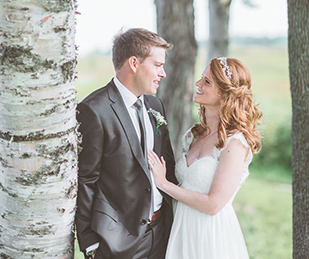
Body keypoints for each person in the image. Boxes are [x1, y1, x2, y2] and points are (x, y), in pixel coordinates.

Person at [76, 28, 176, 259]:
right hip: (117, 241)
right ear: (134, 63)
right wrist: (89, 241)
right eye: (158, 65)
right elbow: (86, 179)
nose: (164, 73)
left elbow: (166, 163)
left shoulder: (155, 105)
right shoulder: (94, 110)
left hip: (161, 232)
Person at [148, 57, 262, 259]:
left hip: (209, 235)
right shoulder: (194, 134)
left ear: (225, 93)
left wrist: (164, 184)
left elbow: (213, 204)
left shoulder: (235, 143)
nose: (198, 84)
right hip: (181, 228)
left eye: (207, 82)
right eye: (201, 78)